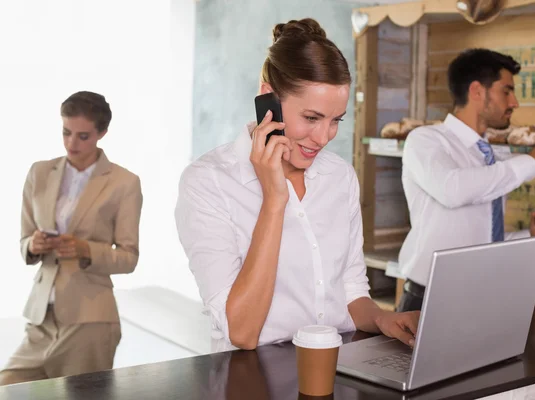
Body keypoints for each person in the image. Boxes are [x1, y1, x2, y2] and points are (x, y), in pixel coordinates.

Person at [175, 18, 420, 351]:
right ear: (268, 99)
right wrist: (275, 199)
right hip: (252, 378)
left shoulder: (340, 176)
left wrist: (382, 319)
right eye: (312, 118)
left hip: (337, 367)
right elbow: (242, 332)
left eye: (336, 121)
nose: (323, 138)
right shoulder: (207, 182)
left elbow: (351, 289)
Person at [395, 49, 535, 312]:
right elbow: (452, 190)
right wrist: (532, 162)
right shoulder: (426, 140)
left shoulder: (493, 154)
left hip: (480, 296)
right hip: (431, 298)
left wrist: (531, 234)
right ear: (477, 91)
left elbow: (484, 237)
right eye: (507, 91)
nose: (515, 102)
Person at [0, 91, 143, 385]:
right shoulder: (39, 173)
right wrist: (33, 245)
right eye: (66, 132)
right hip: (41, 319)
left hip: (90, 321)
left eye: (83, 136)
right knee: (8, 386)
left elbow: (129, 257)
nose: (71, 143)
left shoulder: (124, 183)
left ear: (102, 133)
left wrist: (84, 249)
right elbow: (24, 240)